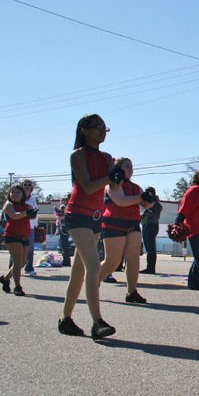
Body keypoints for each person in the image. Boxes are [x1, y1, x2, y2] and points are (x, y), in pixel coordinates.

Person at [59, 114, 124, 339]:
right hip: (77, 214)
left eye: (105, 128)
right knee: (94, 266)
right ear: (84, 130)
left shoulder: (107, 157)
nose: (103, 131)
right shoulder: (77, 155)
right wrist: (110, 177)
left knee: (78, 273)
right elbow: (86, 187)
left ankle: (65, 319)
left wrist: (117, 175)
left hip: (96, 216)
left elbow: (113, 184)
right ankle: (97, 322)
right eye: (98, 127)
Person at [97, 158, 154, 303]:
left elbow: (145, 205)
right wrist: (141, 197)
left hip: (133, 224)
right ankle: (92, 282)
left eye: (131, 166)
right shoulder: (112, 184)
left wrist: (150, 199)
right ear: (118, 168)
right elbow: (120, 201)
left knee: (133, 258)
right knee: (112, 262)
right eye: (127, 166)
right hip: (113, 224)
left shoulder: (136, 186)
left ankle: (131, 292)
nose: (130, 169)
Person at [0, 185, 37, 296]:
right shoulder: (8, 205)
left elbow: (33, 217)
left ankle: (5, 279)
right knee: (17, 262)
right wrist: (27, 213)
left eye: (18, 192)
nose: (15, 194)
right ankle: (18, 287)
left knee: (22, 263)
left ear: (22, 195)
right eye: (12, 192)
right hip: (12, 235)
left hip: (25, 235)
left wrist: (32, 213)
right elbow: (14, 216)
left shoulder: (28, 205)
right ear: (9, 195)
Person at [141, 187, 162, 274]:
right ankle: (148, 267)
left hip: (152, 226)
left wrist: (147, 211)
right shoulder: (146, 203)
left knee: (151, 248)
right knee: (147, 247)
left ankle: (151, 268)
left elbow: (156, 216)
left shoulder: (156, 204)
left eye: (148, 192)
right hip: (145, 225)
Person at [21, 179, 38, 276]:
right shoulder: (16, 197)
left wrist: (35, 225)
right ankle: (13, 267)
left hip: (29, 227)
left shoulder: (32, 199)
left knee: (30, 247)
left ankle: (28, 268)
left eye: (29, 185)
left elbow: (35, 212)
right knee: (16, 248)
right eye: (25, 184)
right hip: (18, 226)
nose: (27, 186)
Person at [54, 196, 71, 268]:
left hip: (65, 227)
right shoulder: (60, 208)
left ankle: (67, 261)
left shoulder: (67, 207)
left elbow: (63, 216)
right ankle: (65, 259)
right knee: (62, 245)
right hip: (60, 226)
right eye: (61, 201)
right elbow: (58, 216)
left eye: (64, 201)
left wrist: (62, 211)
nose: (62, 203)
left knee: (65, 245)